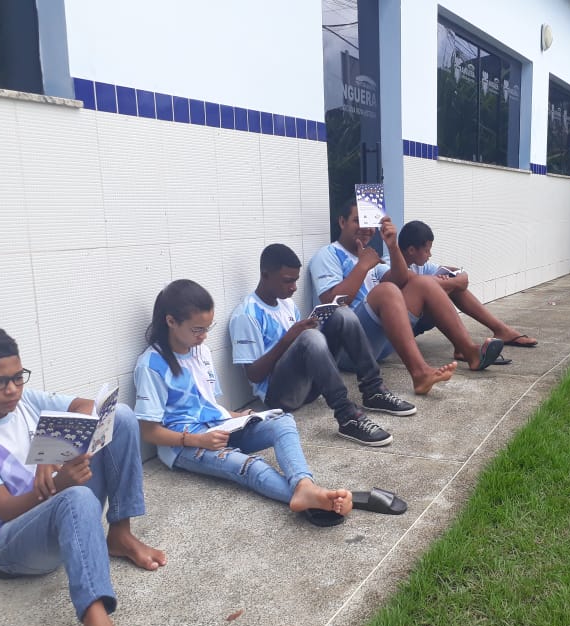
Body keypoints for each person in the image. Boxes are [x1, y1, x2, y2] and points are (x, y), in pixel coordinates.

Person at [0, 325, 164, 626]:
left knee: (121, 416)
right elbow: (4, 510)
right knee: (75, 497)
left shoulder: (24, 403)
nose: (12, 389)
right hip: (9, 544)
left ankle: (120, 534)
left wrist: (53, 448)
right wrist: (59, 485)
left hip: (62, 514)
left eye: (18, 377)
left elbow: (84, 406)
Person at [133, 279, 352, 526]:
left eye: (207, 328)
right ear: (171, 321)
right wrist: (197, 440)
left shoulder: (200, 352)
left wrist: (239, 416)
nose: (204, 336)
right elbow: (149, 432)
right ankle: (319, 499)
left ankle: (305, 485)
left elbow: (205, 405)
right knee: (250, 467)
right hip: (184, 445)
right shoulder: (151, 365)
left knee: (282, 422)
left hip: (219, 428)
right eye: (197, 330)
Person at [229, 243, 415, 447]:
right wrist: (291, 337)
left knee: (342, 313)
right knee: (310, 337)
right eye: (288, 281)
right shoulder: (246, 315)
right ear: (266, 275)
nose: (294, 287)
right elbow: (254, 375)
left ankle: (374, 390)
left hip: (308, 385)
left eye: (295, 280)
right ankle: (347, 416)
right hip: (280, 397)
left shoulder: (287, 303)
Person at [308, 200, 504, 390]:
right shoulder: (328, 255)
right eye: (358, 221)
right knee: (386, 291)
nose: (366, 228)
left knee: (423, 283)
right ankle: (420, 374)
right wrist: (362, 266)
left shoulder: (370, 256)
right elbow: (331, 303)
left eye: (369, 222)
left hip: (378, 344)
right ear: (342, 222)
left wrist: (392, 246)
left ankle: (471, 352)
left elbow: (401, 280)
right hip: (345, 349)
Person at [396, 220, 537, 362]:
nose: (430, 255)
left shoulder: (419, 265)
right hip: (399, 329)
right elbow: (422, 284)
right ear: (411, 250)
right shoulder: (391, 267)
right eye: (427, 250)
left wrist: (457, 278)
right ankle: (464, 347)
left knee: (449, 285)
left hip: (416, 323)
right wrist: (455, 282)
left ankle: (501, 330)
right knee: (439, 289)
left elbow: (455, 271)